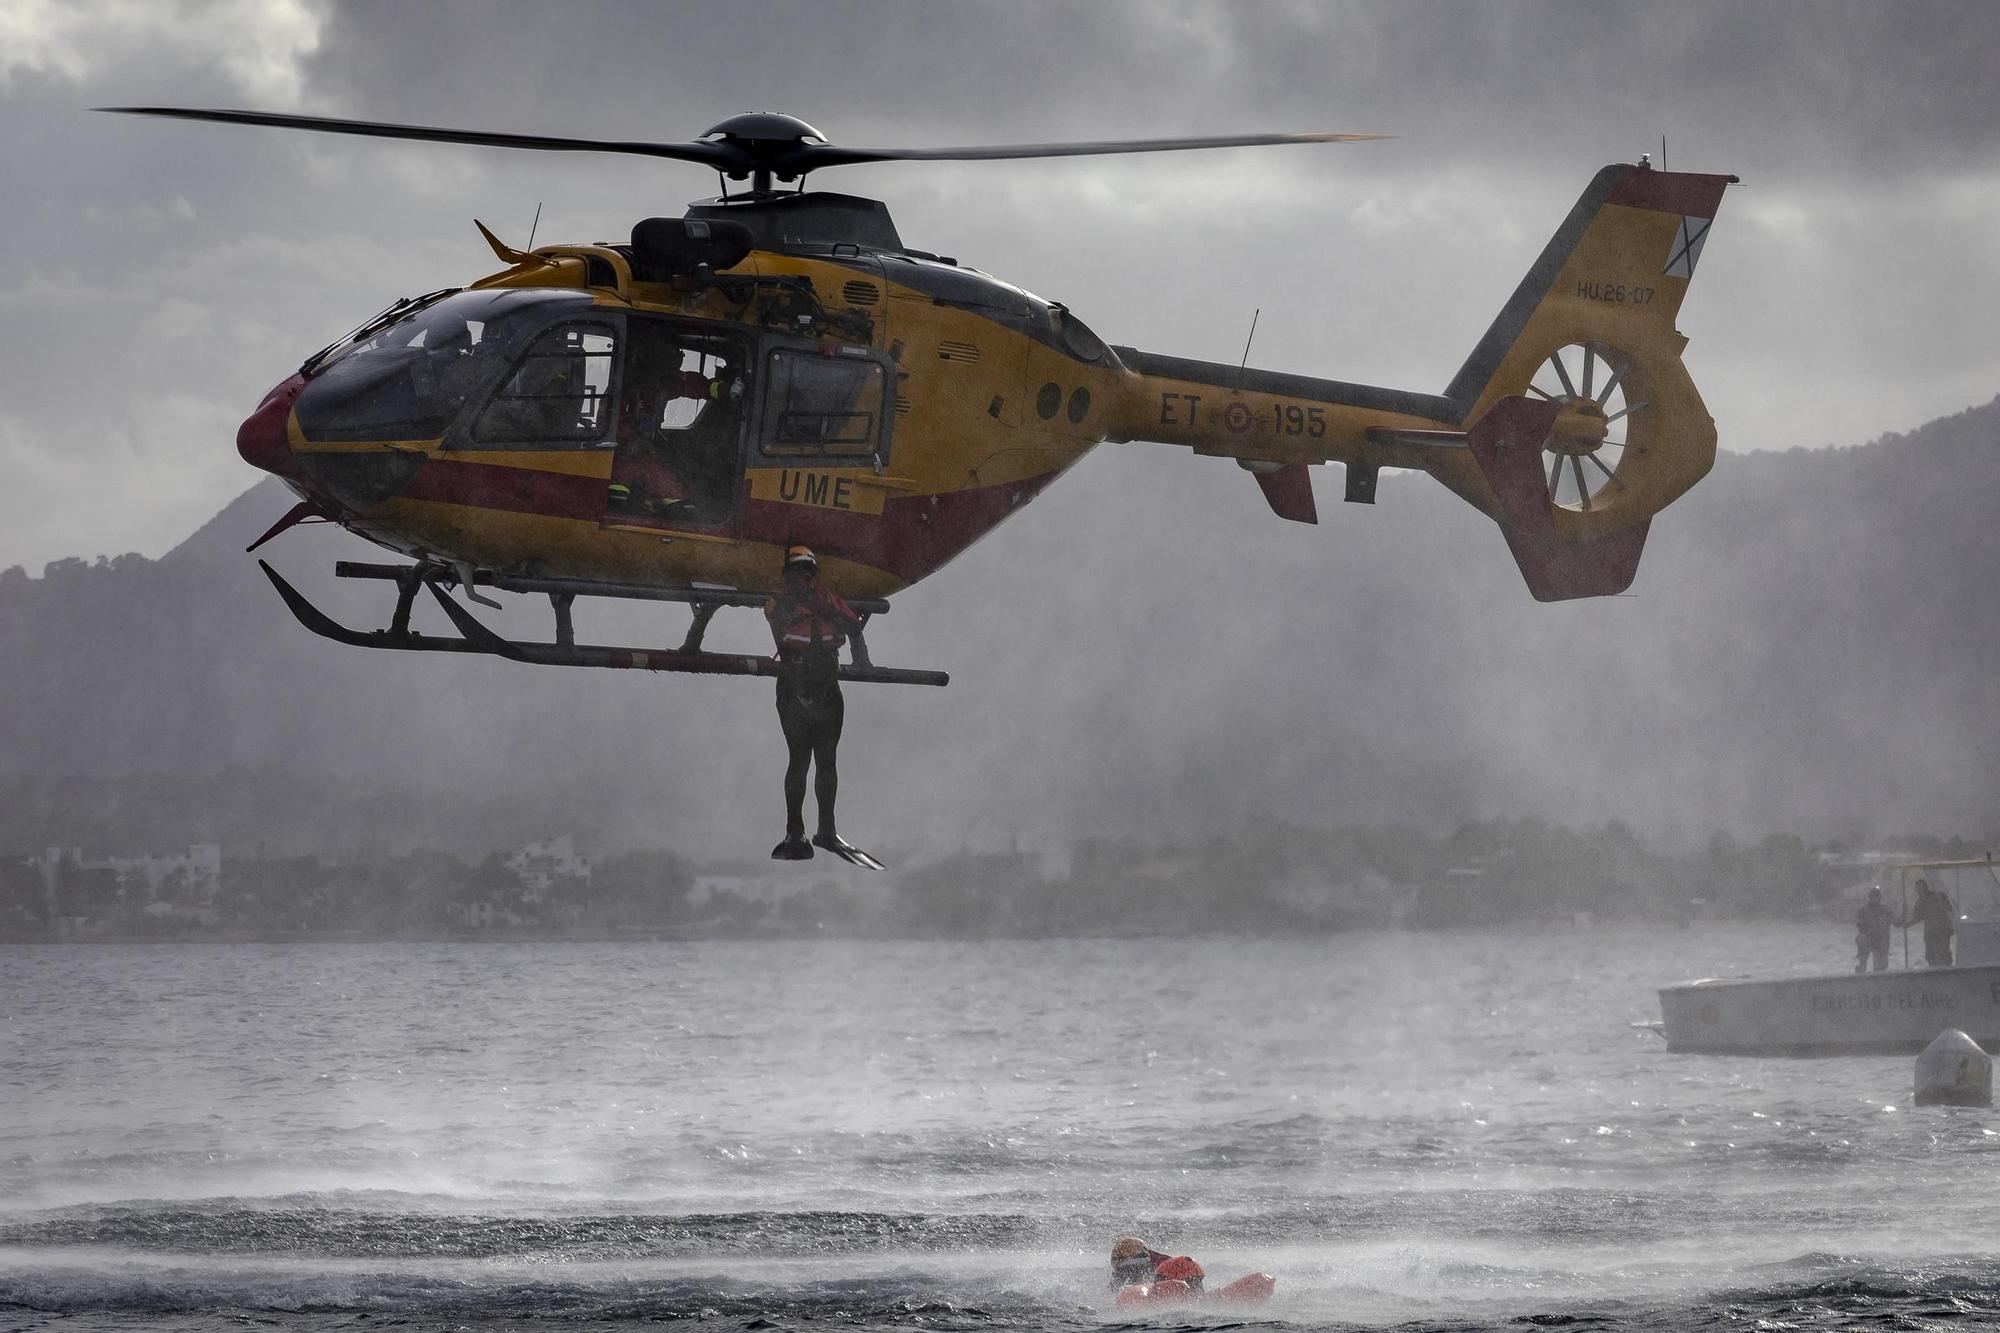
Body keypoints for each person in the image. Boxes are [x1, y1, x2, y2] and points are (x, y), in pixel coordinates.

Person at [764, 545, 864, 861]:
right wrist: (861, 660)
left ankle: (802, 832)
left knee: (802, 760)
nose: (802, 578)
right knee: (822, 760)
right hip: (819, 684)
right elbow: (852, 623)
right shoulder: (823, 598)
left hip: (797, 684)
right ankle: (821, 831)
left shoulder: (778, 602)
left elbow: (776, 626)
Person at [1905, 877, 1956, 968]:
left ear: (1926, 887)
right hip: (1931, 933)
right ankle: (1934, 970)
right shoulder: (1920, 902)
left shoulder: (1939, 896)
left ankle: (1946, 970)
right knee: (1931, 955)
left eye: (1921, 888)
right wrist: (1907, 924)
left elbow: (1950, 909)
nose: (1919, 891)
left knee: (1944, 953)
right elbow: (1917, 918)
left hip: (1942, 931)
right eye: (1917, 889)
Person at [1854, 887, 1893, 973]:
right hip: (1868, 939)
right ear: (1869, 897)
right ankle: (1862, 966)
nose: (1875, 899)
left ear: (1880, 898)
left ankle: (1879, 972)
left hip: (1881, 941)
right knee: (1861, 938)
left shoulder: (1886, 910)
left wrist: (1903, 915)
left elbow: (1896, 922)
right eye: (1873, 896)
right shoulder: (1863, 910)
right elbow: (1861, 926)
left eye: (1877, 896)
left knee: (1880, 969)